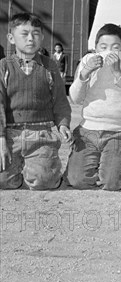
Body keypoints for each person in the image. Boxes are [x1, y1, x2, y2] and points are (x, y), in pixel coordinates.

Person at [64, 24, 121, 191]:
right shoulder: (87, 61)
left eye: (116, 47)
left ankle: (110, 167)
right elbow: (75, 98)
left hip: (117, 132)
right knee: (77, 181)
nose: (109, 51)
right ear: (95, 48)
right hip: (87, 131)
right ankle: (89, 164)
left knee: (112, 184)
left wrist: (117, 73)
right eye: (103, 47)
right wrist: (84, 74)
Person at [0, 13, 72, 190]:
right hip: (10, 135)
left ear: (42, 37)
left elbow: (60, 100)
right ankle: (19, 168)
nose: (31, 39)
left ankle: (38, 166)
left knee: (44, 181)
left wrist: (63, 124)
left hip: (40, 134)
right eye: (24, 34)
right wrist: (1, 138)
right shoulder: (3, 66)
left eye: (36, 33)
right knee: (4, 181)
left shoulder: (50, 66)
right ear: (11, 38)